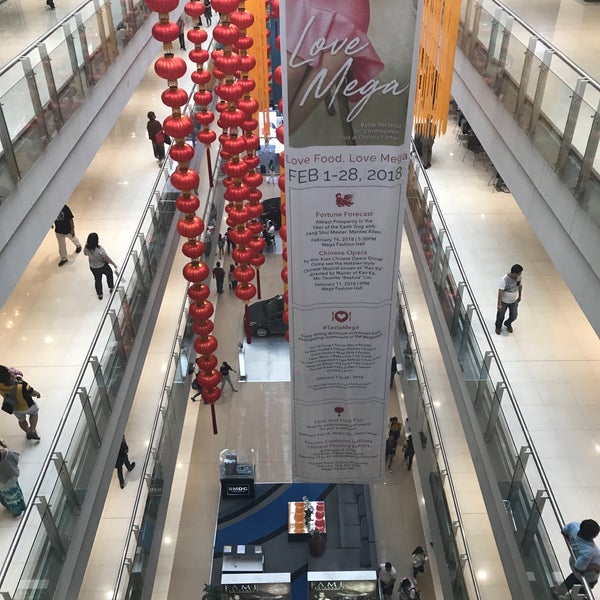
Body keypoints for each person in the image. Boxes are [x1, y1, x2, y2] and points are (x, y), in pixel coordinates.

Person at [0, 365, 42, 440]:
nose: (12, 371)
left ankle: (27, 432)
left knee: (21, 420)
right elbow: (32, 392)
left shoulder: (1, 385)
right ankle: (32, 430)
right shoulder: (22, 385)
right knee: (34, 413)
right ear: (10, 376)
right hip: (27, 405)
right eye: (10, 372)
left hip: (14, 408)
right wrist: (38, 394)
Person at [559, 520, 600, 593]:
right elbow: (579, 568)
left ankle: (559, 592)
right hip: (588, 577)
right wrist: (595, 567)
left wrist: (573, 542)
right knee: (583, 593)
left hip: (576, 565)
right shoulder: (588, 551)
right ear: (595, 536)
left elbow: (564, 531)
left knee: (570, 581)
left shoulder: (574, 525)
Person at [84, 233, 118, 300]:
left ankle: (100, 294)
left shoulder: (86, 248)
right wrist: (113, 264)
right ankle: (111, 287)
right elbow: (106, 258)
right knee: (109, 274)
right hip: (102, 266)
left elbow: (85, 254)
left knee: (97, 280)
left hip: (93, 267)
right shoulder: (100, 249)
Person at [495, 263, 523, 335]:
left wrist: (520, 296)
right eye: (519, 273)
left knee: (514, 315)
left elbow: (520, 286)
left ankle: (508, 323)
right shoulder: (504, 279)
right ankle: (498, 327)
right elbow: (500, 291)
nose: (520, 274)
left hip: (514, 301)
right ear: (514, 273)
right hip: (504, 301)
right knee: (500, 315)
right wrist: (499, 303)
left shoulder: (519, 277)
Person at [0, 440, 26, 516]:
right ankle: (20, 507)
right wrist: (5, 445)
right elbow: (15, 457)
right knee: (15, 492)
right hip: (11, 478)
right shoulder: (8, 454)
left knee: (7, 496)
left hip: (1, 483)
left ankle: (14, 509)